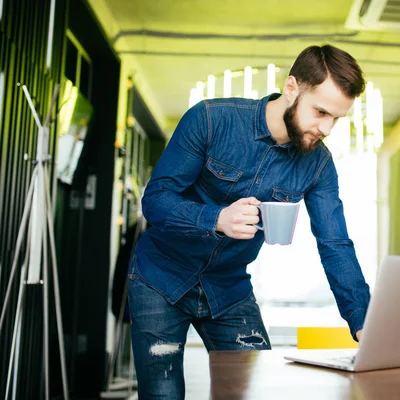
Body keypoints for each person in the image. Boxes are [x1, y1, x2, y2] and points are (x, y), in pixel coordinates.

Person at [128, 44, 371, 398]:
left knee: (255, 390)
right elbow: (156, 200)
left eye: (337, 118)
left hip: (229, 290)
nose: (327, 129)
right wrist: (216, 218)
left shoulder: (318, 164)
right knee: (163, 394)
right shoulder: (211, 119)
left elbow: (335, 245)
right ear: (292, 88)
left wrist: (364, 323)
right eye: (320, 112)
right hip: (160, 279)